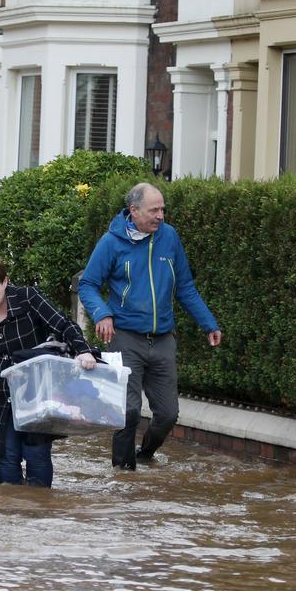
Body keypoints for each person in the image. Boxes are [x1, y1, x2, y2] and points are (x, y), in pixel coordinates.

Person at [78, 182, 222, 470]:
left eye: (163, 209)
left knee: (168, 415)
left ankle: (145, 456)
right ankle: (123, 473)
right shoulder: (111, 242)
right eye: (154, 210)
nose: (161, 216)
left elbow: (185, 286)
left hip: (163, 339)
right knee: (129, 411)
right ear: (134, 211)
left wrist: (208, 323)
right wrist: (102, 314)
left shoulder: (169, 238)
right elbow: (89, 284)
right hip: (125, 338)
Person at [0, 253, 97, 487]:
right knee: (4, 457)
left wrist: (83, 350)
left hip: (37, 394)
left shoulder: (28, 299)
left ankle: (37, 510)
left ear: (5, 282)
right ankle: (9, 513)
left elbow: (63, 324)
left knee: (36, 454)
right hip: (1, 397)